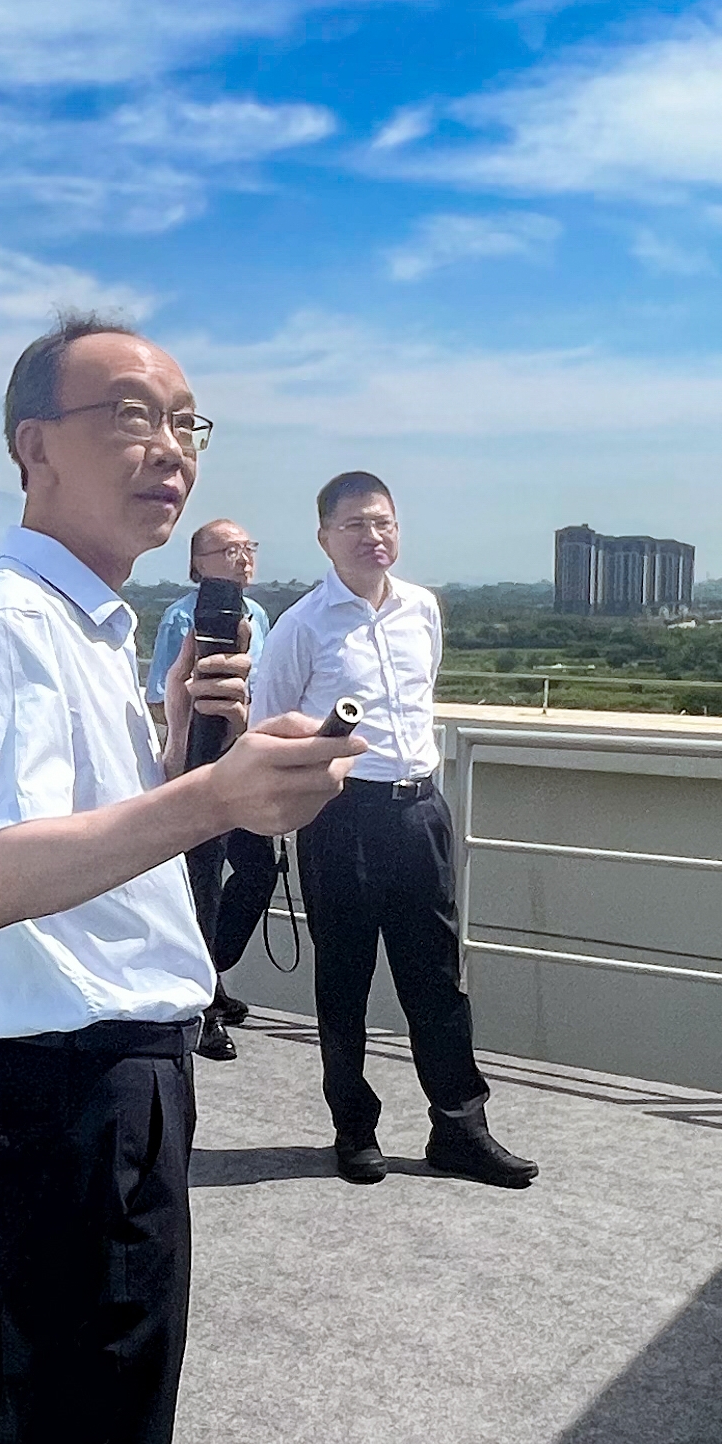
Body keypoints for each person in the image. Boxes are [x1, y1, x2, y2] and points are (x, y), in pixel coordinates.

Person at [0, 314, 357, 1444]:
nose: (168, 447)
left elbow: (82, 848)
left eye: (184, 421)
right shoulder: (12, 623)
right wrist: (214, 798)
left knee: (24, 1429)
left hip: (78, 1078)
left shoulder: (79, 624)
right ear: (33, 447)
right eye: (129, 415)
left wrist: (186, 755)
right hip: (84, 1088)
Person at [250, 472, 537, 1189]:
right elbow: (268, 727)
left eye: (382, 523)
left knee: (437, 977)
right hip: (341, 816)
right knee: (343, 979)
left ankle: (460, 1127)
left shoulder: (422, 609)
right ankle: (353, 1128)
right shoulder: (302, 625)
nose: (372, 537)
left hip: (419, 811)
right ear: (325, 538)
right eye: (354, 525)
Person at [150, 518, 274, 1061]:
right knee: (202, 881)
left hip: (246, 760)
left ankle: (211, 971)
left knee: (258, 871)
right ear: (197, 564)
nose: (243, 558)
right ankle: (203, 1007)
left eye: (248, 547)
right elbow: (163, 693)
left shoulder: (258, 615)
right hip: (201, 765)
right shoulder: (183, 618)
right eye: (228, 550)